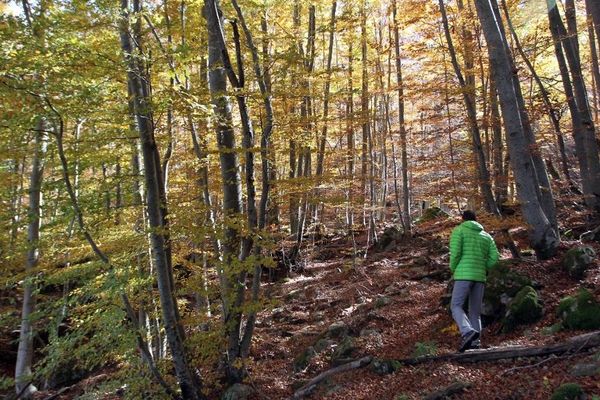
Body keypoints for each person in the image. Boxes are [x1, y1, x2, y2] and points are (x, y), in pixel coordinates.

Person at [449, 210, 499, 352]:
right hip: (480, 276)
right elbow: (495, 257)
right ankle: (475, 343)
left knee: (456, 306)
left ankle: (467, 331)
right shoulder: (486, 236)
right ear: (476, 220)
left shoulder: (459, 231)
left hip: (463, 275)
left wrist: (453, 267)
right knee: (475, 312)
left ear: (463, 219)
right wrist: (484, 267)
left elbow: (456, 253)